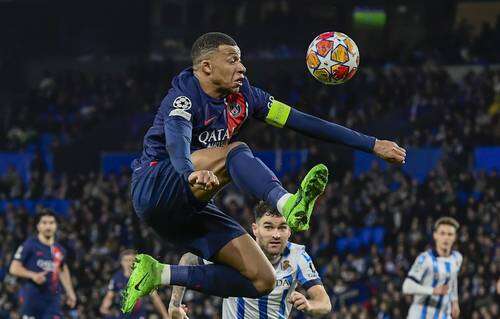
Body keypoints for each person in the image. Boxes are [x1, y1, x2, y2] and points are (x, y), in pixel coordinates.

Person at [122, 32, 406, 313]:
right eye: (232, 60)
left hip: (188, 208)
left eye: (241, 60)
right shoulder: (184, 95)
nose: (242, 67)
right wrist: (187, 171)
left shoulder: (247, 97)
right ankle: (286, 203)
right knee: (236, 150)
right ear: (207, 67)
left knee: (262, 279)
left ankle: (158, 273)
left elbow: (303, 122)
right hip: (156, 185)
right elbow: (176, 141)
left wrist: (371, 144)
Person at [169, 202, 331, 319]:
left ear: (289, 231)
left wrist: (310, 305)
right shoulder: (237, 251)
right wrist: (174, 305)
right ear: (255, 229)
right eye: (268, 227)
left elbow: (324, 303)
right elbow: (188, 260)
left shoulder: (297, 256)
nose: (276, 234)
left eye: (282, 227)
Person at [9, 209, 77, 318]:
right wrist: (33, 275)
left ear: (56, 226)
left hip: (52, 301)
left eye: (51, 223)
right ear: (38, 226)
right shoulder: (30, 245)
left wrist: (70, 292)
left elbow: (62, 269)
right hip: (32, 299)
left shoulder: (60, 250)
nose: (48, 226)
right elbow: (14, 268)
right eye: (44, 223)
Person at [403, 217, 462, 319]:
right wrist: (433, 290)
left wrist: (455, 301)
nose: (446, 238)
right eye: (442, 233)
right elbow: (407, 287)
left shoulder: (457, 258)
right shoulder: (425, 259)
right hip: (420, 314)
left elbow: (452, 279)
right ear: (435, 235)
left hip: (443, 314)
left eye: (450, 234)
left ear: (455, 237)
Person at [100, 249, 169, 319]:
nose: (129, 263)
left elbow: (155, 298)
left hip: (139, 314)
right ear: (121, 262)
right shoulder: (116, 278)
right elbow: (109, 296)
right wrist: (104, 307)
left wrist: (165, 315)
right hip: (122, 313)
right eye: (126, 260)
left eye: (131, 260)